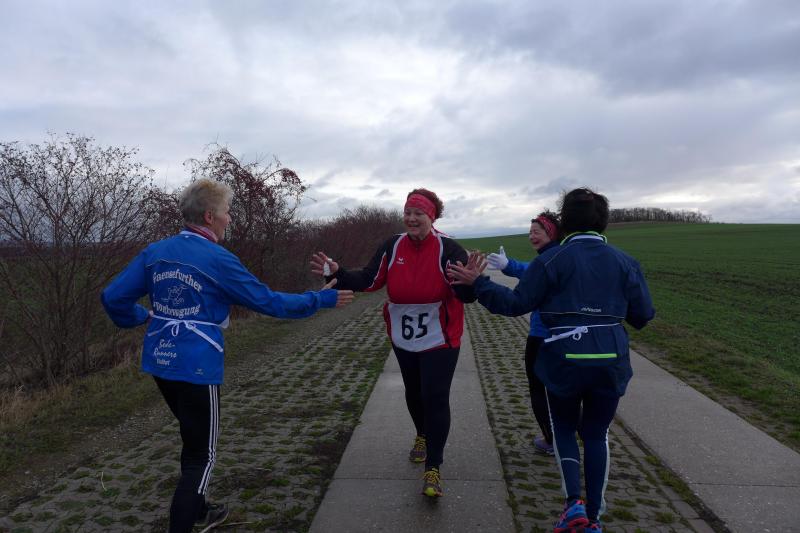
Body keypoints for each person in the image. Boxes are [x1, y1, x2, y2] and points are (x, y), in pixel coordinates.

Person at [101, 178, 353, 533]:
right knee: (201, 457)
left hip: (160, 361)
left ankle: (201, 510)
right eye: (226, 211)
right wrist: (319, 299)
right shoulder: (218, 259)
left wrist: (140, 317)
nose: (229, 218)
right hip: (197, 367)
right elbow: (270, 302)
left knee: (192, 436)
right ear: (209, 216)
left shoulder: (155, 252)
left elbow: (113, 298)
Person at [448, 188, 654, 533]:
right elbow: (642, 316)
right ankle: (594, 519)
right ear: (603, 222)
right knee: (597, 434)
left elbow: (515, 304)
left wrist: (480, 284)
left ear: (564, 222)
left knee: (564, 429)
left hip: (564, 358)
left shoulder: (550, 260)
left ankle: (573, 505)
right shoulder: (625, 261)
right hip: (610, 359)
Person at [310, 188, 476, 498]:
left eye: (419, 213)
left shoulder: (449, 249)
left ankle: (434, 468)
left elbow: (465, 294)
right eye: (407, 212)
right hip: (404, 335)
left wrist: (471, 284)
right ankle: (421, 434)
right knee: (414, 391)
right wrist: (339, 272)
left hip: (441, 336)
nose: (411, 218)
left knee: (435, 395)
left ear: (432, 217)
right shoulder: (392, 245)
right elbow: (369, 280)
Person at [486, 211, 561, 456]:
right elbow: (532, 271)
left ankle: (552, 441)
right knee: (563, 388)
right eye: (530, 232)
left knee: (538, 388)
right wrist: (509, 266)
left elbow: (532, 274)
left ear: (551, 233)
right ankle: (569, 434)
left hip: (541, 336)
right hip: (569, 336)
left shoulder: (547, 261)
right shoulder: (564, 257)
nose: (531, 236)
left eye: (536, 232)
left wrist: (507, 267)